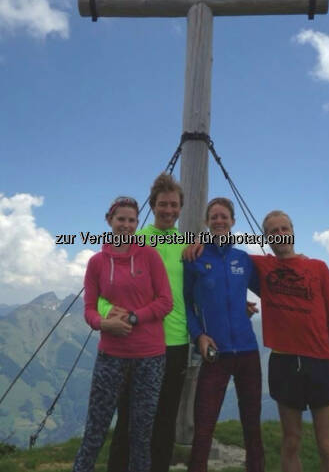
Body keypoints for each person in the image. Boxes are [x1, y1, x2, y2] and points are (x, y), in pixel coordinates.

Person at [73, 196, 173, 472]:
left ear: (137, 223)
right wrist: (104, 324)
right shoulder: (96, 263)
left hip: (150, 356)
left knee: (141, 433)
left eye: (131, 220)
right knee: (96, 428)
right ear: (109, 221)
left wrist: (132, 317)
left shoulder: (149, 256)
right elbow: (90, 309)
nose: (126, 225)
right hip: (111, 354)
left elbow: (166, 301)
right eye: (121, 220)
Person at [99, 174, 190, 472]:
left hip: (176, 341)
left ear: (180, 208)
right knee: (128, 418)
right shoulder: (135, 241)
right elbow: (103, 288)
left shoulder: (188, 245)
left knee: (165, 419)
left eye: (173, 205)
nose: (168, 210)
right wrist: (109, 313)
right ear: (153, 205)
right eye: (162, 204)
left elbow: (206, 285)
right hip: (136, 341)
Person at [253, 210, 329, 472]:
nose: (280, 234)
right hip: (283, 361)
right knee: (291, 441)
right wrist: (197, 241)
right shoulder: (262, 267)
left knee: (327, 444)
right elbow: (224, 256)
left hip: (320, 361)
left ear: (293, 231)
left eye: (284, 228)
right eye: (273, 231)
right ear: (266, 238)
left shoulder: (318, 267)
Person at [183, 197, 265, 472]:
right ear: (207, 221)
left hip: (247, 350)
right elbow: (185, 303)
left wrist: (243, 305)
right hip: (214, 351)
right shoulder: (194, 256)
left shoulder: (243, 258)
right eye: (214, 216)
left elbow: (265, 291)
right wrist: (198, 336)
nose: (219, 220)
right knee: (204, 424)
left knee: (252, 422)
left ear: (232, 221)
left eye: (224, 216)